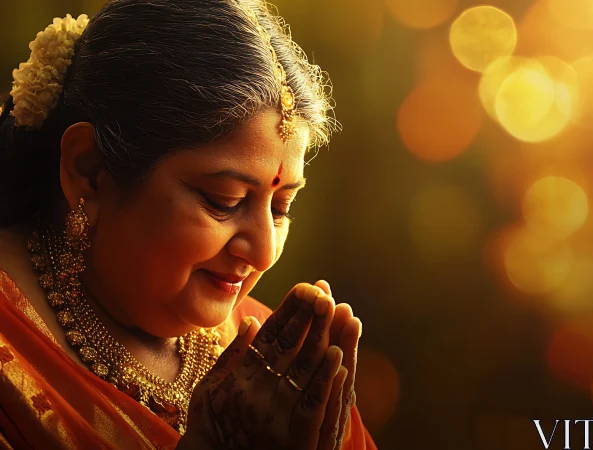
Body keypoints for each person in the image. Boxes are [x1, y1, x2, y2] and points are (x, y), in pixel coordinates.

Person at [0, 0, 378, 448]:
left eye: (281, 208)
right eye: (225, 201)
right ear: (91, 172)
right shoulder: (14, 356)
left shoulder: (274, 371)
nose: (264, 252)